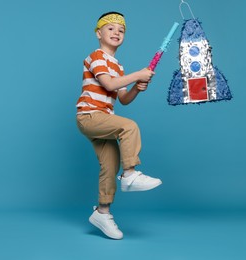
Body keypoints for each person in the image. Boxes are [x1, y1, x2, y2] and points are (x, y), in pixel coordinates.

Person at [76, 11, 162, 239]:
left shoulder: (118, 67)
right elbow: (109, 83)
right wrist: (138, 74)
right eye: (111, 28)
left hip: (104, 119)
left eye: (121, 30)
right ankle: (130, 175)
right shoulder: (96, 57)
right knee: (129, 127)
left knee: (110, 165)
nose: (117, 32)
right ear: (98, 33)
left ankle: (102, 212)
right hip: (90, 116)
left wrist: (137, 87)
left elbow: (123, 99)